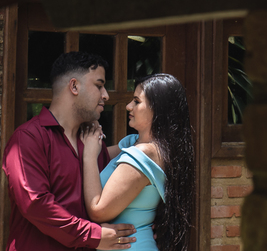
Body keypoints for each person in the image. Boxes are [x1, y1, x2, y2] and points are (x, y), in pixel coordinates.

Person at [3, 51, 138, 251]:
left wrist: (138, 230)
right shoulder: (28, 138)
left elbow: (108, 201)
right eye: (99, 86)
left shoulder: (93, 142)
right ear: (74, 86)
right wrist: (94, 235)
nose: (106, 95)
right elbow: (36, 204)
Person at [78, 74, 196, 251]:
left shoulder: (145, 153)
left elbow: (98, 210)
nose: (128, 106)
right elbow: (96, 156)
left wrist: (88, 155)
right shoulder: (133, 143)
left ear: (158, 109)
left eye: (136, 101)